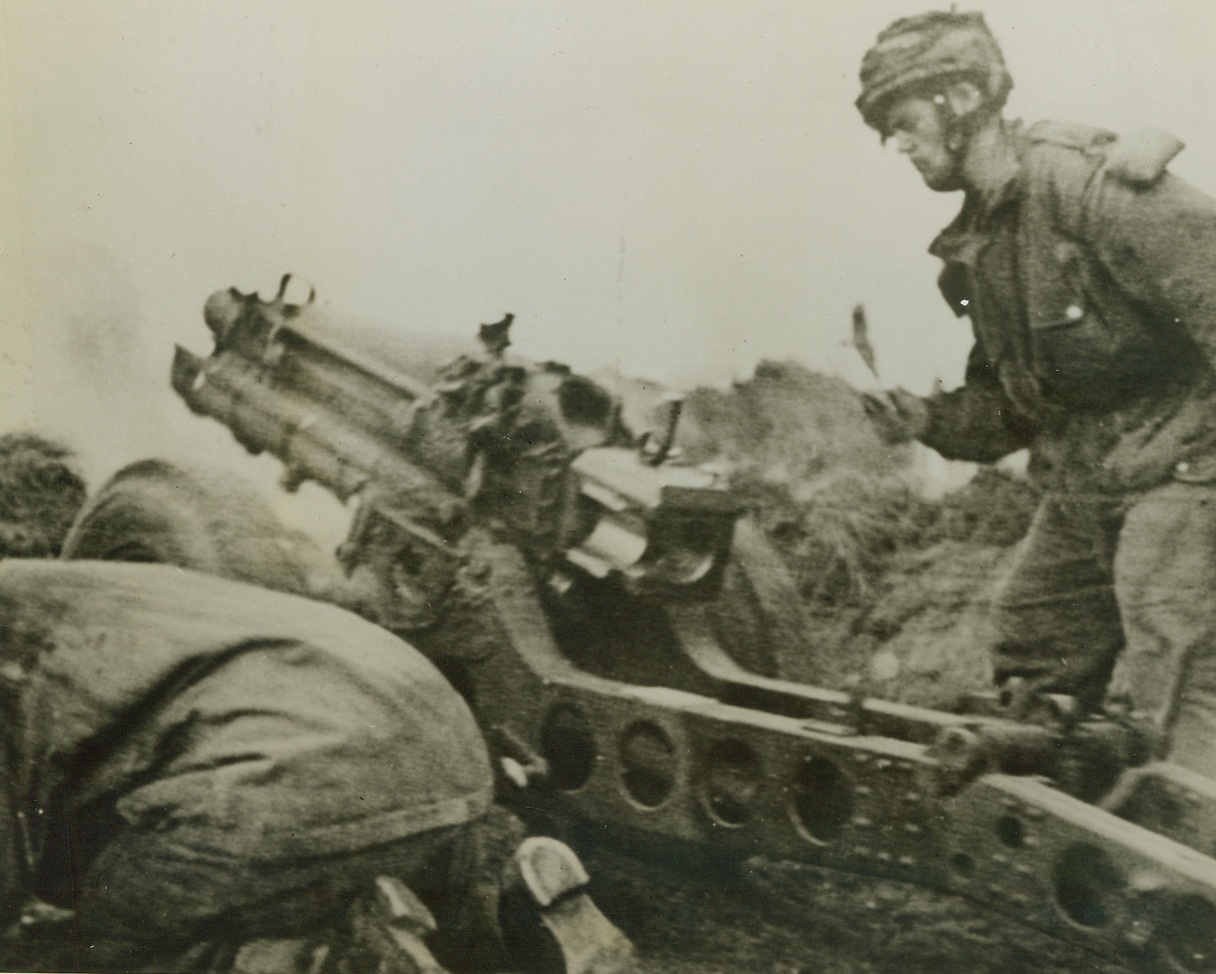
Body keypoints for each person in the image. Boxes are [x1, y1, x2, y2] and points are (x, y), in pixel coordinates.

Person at [855, 10, 1216, 776]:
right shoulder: (973, 258)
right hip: (1091, 475)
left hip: (1189, 460)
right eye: (889, 130)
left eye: (907, 120)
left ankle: (1178, 859)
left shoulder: (1088, 185)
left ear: (962, 97)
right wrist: (924, 418)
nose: (901, 145)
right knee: (1032, 638)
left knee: (1173, 660)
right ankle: (1063, 799)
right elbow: (1016, 406)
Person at [0, 558, 630, 973]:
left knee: (96, 944)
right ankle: (506, 885)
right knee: (374, 841)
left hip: (294, 766)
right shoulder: (58, 585)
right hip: (428, 721)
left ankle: (338, 952)